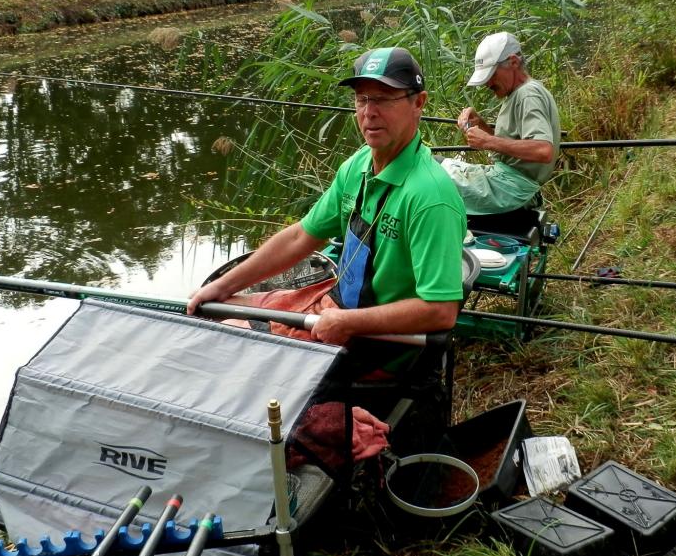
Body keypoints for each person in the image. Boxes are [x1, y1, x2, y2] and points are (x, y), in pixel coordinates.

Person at [187, 47, 466, 343]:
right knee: (210, 308)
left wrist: (349, 322)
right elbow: (302, 237)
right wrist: (220, 286)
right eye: (362, 99)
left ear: (418, 103)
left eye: (384, 99)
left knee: (224, 335)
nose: (369, 112)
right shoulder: (358, 165)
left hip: (372, 341)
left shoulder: (430, 197)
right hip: (334, 304)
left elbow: (441, 310)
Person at [442, 31, 561, 216]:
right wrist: (481, 125)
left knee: (430, 175)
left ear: (513, 62)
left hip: (511, 189)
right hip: (505, 181)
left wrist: (488, 142)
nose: (487, 83)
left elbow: (543, 150)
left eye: (491, 74)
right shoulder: (517, 93)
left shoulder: (527, 94)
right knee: (435, 163)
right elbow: (514, 148)